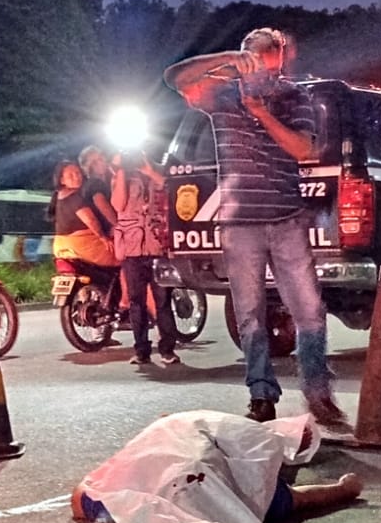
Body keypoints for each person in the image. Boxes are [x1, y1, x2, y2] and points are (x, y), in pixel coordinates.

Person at [163, 28, 348, 430]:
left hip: (285, 217)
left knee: (309, 310)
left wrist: (262, 112)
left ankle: (318, 392)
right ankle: (261, 394)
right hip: (239, 221)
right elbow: (174, 78)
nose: (260, 67)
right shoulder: (222, 95)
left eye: (268, 57)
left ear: (279, 59)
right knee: (249, 312)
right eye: (253, 56)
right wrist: (223, 58)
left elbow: (303, 149)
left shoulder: (294, 96)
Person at [70, 408, 362, 523]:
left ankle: (342, 489)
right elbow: (248, 439)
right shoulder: (187, 425)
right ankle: (344, 489)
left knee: (284, 494)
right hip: (214, 485)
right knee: (286, 496)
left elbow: (81, 498)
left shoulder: (161, 435)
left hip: (171, 485)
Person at [111, 148, 180, 366]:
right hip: (132, 249)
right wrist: (121, 170)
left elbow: (170, 188)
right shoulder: (120, 177)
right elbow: (118, 204)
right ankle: (141, 351)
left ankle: (168, 349)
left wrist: (148, 169)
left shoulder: (157, 170)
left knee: (162, 301)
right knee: (136, 302)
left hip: (157, 245)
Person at [51, 160, 118, 272]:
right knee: (125, 259)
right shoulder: (74, 197)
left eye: (78, 173)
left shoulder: (59, 197)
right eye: (71, 175)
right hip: (85, 247)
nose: (76, 177)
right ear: (61, 180)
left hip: (61, 248)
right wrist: (104, 238)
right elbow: (91, 220)